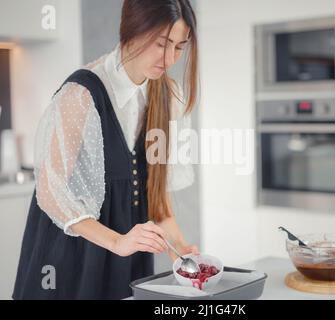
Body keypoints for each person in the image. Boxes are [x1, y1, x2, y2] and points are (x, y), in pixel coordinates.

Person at [13, 0, 199, 300]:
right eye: (161, 43)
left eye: (179, 47)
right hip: (70, 258)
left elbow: (157, 200)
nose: (169, 58)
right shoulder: (81, 95)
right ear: (131, 32)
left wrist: (181, 248)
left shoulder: (168, 98)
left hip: (126, 259)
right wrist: (116, 242)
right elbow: (50, 191)